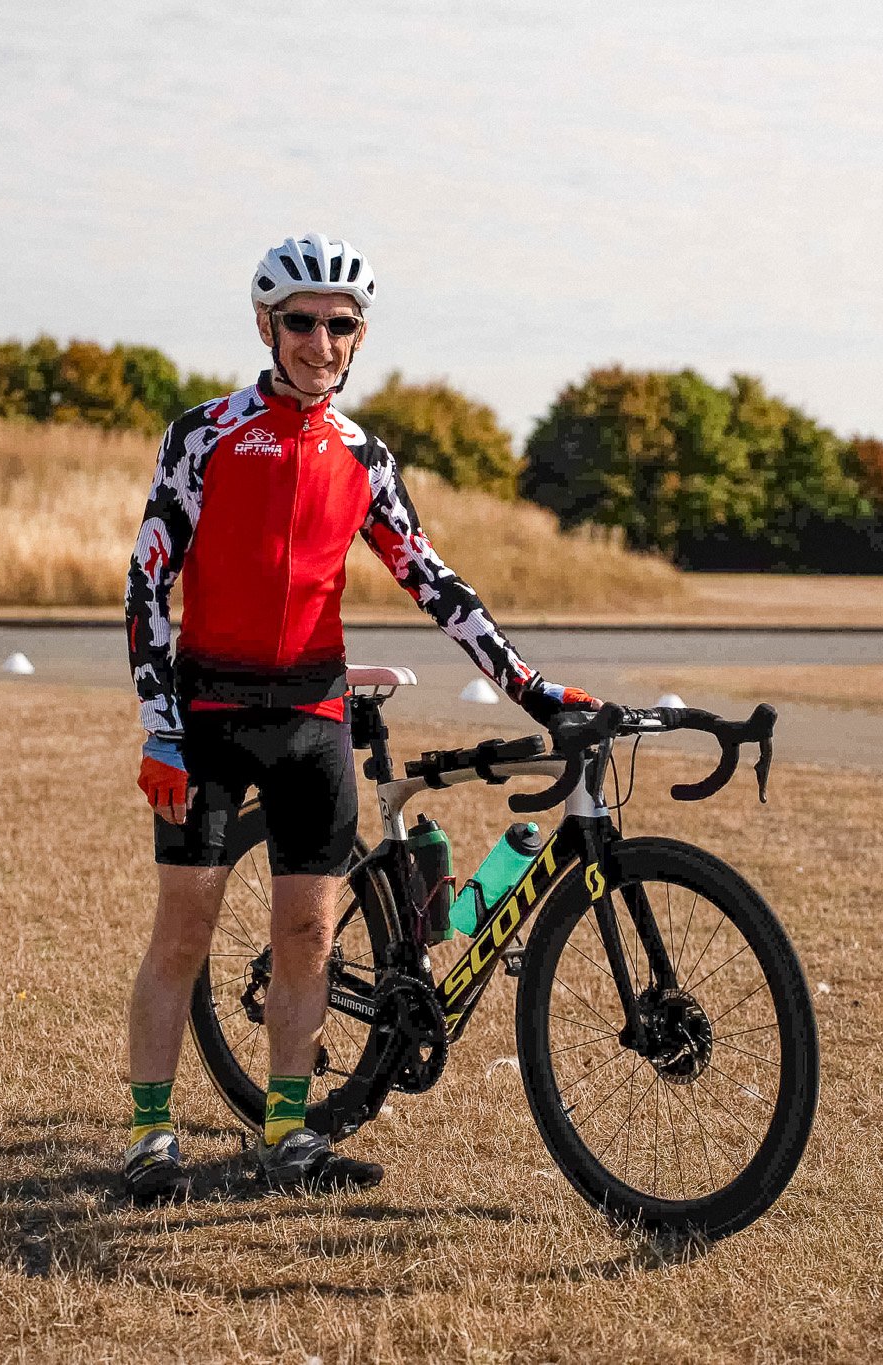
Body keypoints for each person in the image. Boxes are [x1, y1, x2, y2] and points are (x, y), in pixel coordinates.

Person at [120, 234, 600, 1203]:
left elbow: (431, 580)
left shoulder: (362, 454)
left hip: (312, 718)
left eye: (340, 326)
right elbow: (146, 584)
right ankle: (148, 1137)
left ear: (358, 336)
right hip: (209, 715)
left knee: (309, 936)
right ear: (266, 325)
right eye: (300, 322)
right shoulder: (202, 434)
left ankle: (288, 1136)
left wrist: (532, 687)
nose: (320, 341)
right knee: (185, 931)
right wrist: (161, 727)